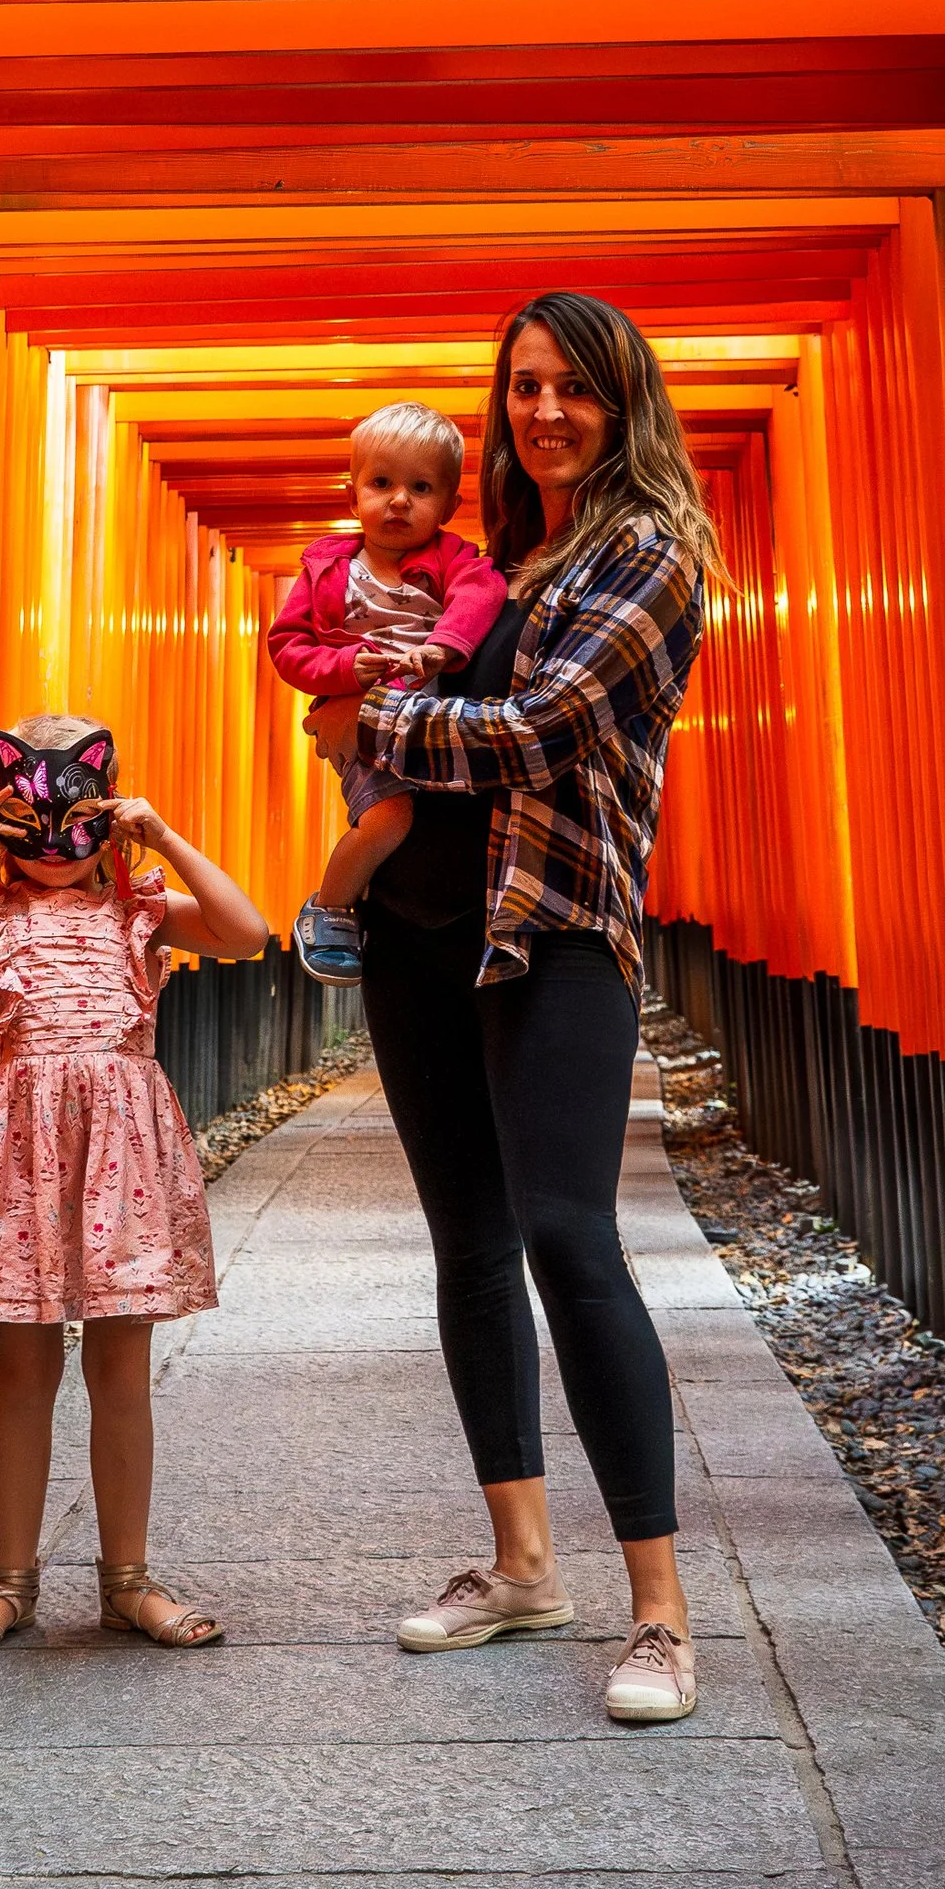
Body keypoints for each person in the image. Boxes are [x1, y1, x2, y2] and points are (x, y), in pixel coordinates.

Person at [308, 293, 711, 1725]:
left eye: (576, 389)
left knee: (566, 1232)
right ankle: (521, 1562)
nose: (546, 411)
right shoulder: (498, 557)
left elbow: (545, 730)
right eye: (526, 386)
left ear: (624, 400)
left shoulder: (649, 551)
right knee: (470, 1243)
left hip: (553, 930)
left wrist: (372, 721)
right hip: (423, 933)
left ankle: (661, 1612)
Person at [0, 712, 269, 1658]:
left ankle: (127, 1580)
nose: (56, 849)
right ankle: (10, 1582)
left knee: (121, 1364)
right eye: (29, 826)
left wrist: (165, 836)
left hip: (126, 1156)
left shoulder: (139, 909)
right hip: (21, 1153)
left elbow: (248, 932)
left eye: (78, 825)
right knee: (22, 1365)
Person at [265, 399, 506, 984]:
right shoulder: (330, 571)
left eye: (420, 488)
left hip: (435, 714)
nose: (399, 500)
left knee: (458, 816)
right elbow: (288, 646)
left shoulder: (456, 559)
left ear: (449, 506)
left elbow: (483, 595)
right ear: (353, 496)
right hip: (365, 725)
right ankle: (330, 906)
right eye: (381, 483)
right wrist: (348, 669)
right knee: (390, 818)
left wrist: (441, 647)